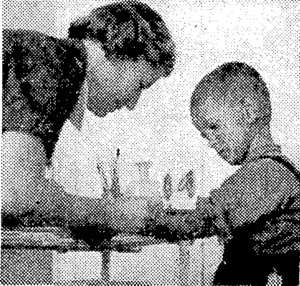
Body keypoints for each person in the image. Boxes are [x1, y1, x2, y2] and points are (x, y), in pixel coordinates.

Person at [2, 1, 175, 238]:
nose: (133, 103)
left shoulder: (42, 56)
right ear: (119, 52)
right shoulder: (56, 63)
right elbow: (14, 195)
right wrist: (111, 213)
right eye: (140, 85)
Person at [144, 62, 300, 285]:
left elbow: (205, 217)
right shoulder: (271, 170)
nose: (211, 142)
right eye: (205, 136)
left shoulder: (267, 172)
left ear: (248, 110)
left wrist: (136, 216)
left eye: (214, 127)